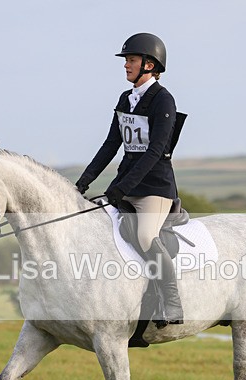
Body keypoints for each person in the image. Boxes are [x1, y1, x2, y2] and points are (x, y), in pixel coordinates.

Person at [75, 33, 183, 327]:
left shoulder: (163, 100)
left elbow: (155, 151)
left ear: (149, 64)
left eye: (131, 60)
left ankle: (172, 301)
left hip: (154, 189)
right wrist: (81, 184)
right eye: (127, 61)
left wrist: (120, 188)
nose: (126, 66)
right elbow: (111, 144)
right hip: (127, 184)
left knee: (146, 236)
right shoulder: (126, 99)